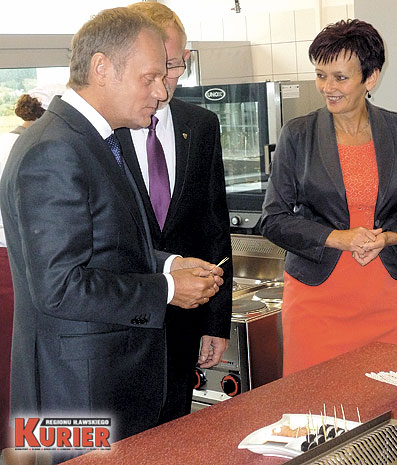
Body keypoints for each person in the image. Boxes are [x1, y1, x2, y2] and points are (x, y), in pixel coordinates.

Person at [0, 7, 223, 464]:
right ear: (102, 67)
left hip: (101, 384)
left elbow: (106, 244)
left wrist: (169, 262)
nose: (161, 92)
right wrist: (167, 288)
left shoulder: (93, 139)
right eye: (150, 78)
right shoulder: (55, 150)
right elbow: (59, 286)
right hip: (77, 393)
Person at [261, 19, 397, 376]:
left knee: (381, 398)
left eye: (340, 77)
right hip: (316, 300)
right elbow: (273, 219)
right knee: (314, 401)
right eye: (321, 75)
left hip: (384, 295)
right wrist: (337, 238)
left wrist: (388, 238)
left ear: (370, 78)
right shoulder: (298, 134)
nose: (327, 87)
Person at [115, 1, 232, 423]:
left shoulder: (200, 124)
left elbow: (214, 228)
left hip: (184, 326)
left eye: (175, 65)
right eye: (157, 68)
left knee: (178, 433)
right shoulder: (107, 130)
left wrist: (216, 320)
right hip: (121, 329)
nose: (166, 84)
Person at [0, 85, 64, 465]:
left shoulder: (12, 143)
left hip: (11, 263)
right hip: (12, 265)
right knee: (18, 381)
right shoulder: (37, 149)